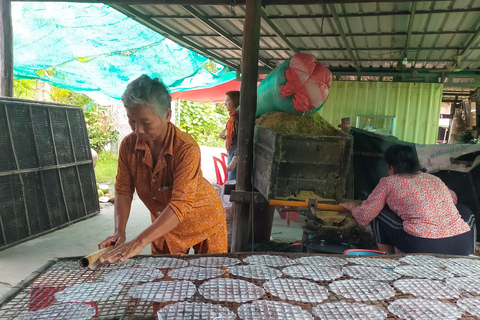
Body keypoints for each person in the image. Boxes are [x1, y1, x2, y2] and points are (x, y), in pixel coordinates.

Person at [98, 75, 228, 264]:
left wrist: (138, 242)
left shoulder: (185, 148)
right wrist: (120, 232)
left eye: (146, 123)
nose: (138, 130)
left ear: (167, 115)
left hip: (204, 222)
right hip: (163, 228)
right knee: (164, 284)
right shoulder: (128, 146)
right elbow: (123, 190)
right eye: (131, 121)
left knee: (212, 278)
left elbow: (180, 205)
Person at [341, 145, 474, 255]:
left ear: (391, 167)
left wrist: (352, 206)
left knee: (379, 213)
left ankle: (387, 260)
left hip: (423, 246)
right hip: (462, 245)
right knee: (463, 210)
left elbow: (365, 216)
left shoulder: (389, 182)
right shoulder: (433, 179)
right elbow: (453, 199)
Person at [219, 91, 239, 181]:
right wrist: (226, 137)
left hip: (236, 157)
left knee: (231, 184)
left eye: (227, 100)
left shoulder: (238, 120)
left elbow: (242, 142)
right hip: (231, 154)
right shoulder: (232, 118)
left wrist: (233, 162)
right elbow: (235, 139)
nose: (225, 103)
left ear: (235, 102)